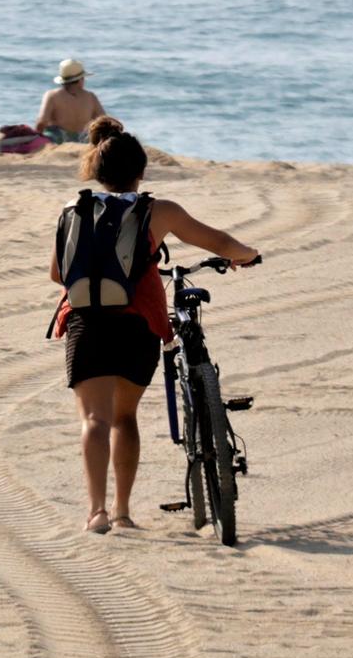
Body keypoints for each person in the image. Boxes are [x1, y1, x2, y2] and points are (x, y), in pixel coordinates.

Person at [48, 117, 259, 535]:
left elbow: (58, 274)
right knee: (125, 418)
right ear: (141, 171)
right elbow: (218, 242)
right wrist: (247, 254)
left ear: (95, 169)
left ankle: (96, 513)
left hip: (85, 321)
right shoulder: (157, 211)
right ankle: (123, 511)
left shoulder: (73, 210)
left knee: (94, 419)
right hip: (138, 324)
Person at [36, 58, 106, 144]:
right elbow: (104, 120)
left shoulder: (52, 95)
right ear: (80, 80)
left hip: (59, 139)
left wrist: (37, 136)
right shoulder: (90, 97)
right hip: (83, 140)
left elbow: (42, 122)